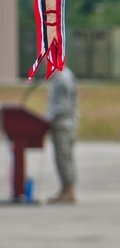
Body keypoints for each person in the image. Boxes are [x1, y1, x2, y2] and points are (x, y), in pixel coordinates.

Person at [46, 67, 79, 204]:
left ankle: (69, 190)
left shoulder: (63, 78)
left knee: (64, 157)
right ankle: (64, 189)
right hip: (58, 123)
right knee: (60, 158)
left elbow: (63, 105)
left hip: (63, 124)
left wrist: (48, 119)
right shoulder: (58, 77)